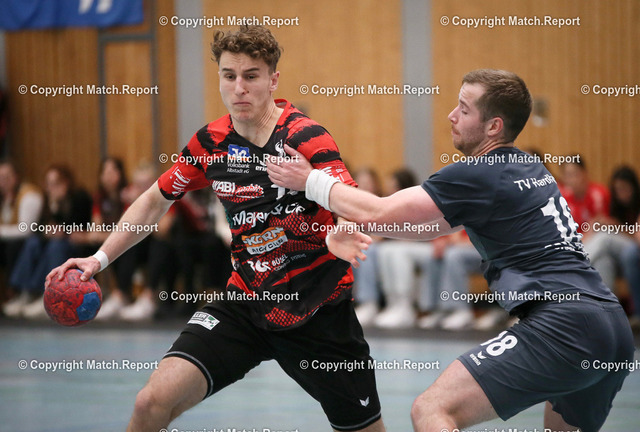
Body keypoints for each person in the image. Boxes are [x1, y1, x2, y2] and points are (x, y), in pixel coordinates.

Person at [47, 25, 384, 432]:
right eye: (229, 75)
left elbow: (349, 199)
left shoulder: (305, 136)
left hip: (318, 313)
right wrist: (98, 258)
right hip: (243, 305)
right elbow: (154, 201)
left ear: (273, 80)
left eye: (251, 76)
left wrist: (342, 227)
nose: (239, 87)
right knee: (150, 403)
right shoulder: (211, 143)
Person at [267, 69, 634, 432]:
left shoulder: (480, 172)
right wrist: (353, 226)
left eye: (464, 109)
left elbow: (380, 210)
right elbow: (424, 226)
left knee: (431, 410)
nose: (451, 115)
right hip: (610, 327)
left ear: (493, 127)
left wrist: (311, 180)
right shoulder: (529, 166)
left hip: (563, 325)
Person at [4, 164, 91, 318]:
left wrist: (63, 231)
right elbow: (41, 227)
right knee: (33, 243)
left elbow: (81, 225)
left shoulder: (79, 198)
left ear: (66, 182)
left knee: (55, 247)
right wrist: (51, 218)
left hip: (75, 245)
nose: (52, 188)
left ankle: (47, 293)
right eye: (49, 184)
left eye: (56, 183)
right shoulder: (49, 200)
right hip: (53, 242)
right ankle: (25, 292)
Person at [0, 160, 43, 306]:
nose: (3, 182)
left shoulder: (29, 194)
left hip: (35, 240)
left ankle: (18, 292)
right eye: (0, 178)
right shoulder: (4, 198)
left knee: (14, 246)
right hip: (10, 242)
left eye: (6, 177)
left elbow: (25, 230)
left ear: (16, 177)